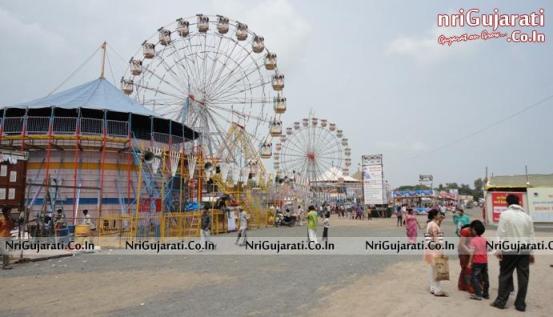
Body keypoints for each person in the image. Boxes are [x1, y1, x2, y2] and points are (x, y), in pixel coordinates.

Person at [491, 194, 535, 312]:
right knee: (523, 277)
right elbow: (531, 236)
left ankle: (501, 301)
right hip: (524, 250)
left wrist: (498, 249)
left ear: (507, 203)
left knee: (505, 274)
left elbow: (501, 233)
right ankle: (520, 304)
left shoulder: (505, 215)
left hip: (509, 249)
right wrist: (531, 252)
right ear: (519, 202)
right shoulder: (527, 217)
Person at [424, 209, 447, 297]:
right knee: (438, 269)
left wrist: (440, 221)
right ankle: (437, 290)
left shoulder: (430, 223)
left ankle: (433, 288)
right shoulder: (433, 225)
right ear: (434, 216)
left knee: (431, 269)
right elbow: (436, 238)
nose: (439, 215)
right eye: (438, 214)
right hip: (435, 249)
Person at [467, 220, 489, 300]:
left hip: (477, 262)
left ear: (474, 230)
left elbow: (472, 252)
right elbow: (488, 249)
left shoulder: (473, 240)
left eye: (472, 229)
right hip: (484, 261)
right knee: (485, 278)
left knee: (474, 278)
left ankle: (478, 294)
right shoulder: (484, 239)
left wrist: (469, 262)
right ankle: (486, 294)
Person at [457, 223, 475, 293]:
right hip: (463, 252)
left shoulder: (474, 232)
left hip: (469, 251)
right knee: (465, 268)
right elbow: (461, 244)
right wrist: (469, 252)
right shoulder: (465, 231)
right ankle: (467, 286)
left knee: (466, 269)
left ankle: (462, 285)